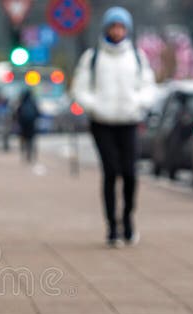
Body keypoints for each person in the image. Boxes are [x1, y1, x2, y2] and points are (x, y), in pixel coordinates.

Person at [71, 6, 156, 247]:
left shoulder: (137, 57)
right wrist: (94, 106)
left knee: (129, 173)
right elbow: (79, 88)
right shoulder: (93, 57)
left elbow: (149, 86)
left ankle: (128, 217)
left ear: (126, 30)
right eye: (113, 26)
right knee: (111, 172)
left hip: (129, 121)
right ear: (106, 28)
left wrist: (139, 103)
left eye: (121, 27)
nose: (117, 31)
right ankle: (112, 226)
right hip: (102, 122)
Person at [15, 89, 39, 163]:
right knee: (31, 140)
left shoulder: (22, 103)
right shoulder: (32, 102)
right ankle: (30, 154)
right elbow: (37, 113)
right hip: (31, 124)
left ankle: (23, 153)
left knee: (23, 139)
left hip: (23, 125)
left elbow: (17, 113)